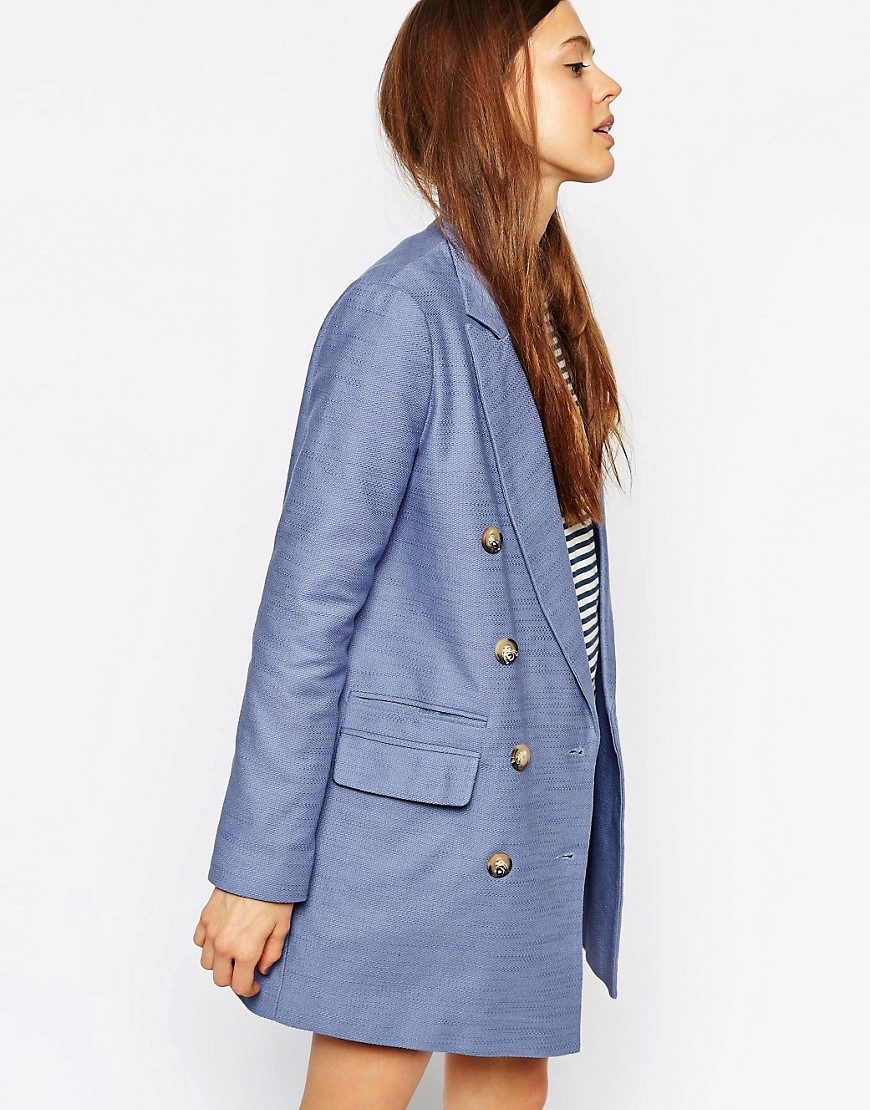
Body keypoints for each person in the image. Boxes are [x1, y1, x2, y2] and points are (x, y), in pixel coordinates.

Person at [193, 2, 627, 1106]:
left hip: (529, 795)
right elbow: (308, 608)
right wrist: (257, 869)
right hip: (418, 826)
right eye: (575, 64)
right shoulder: (401, 315)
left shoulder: (546, 309)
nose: (608, 88)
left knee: (510, 1085)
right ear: (493, 94)